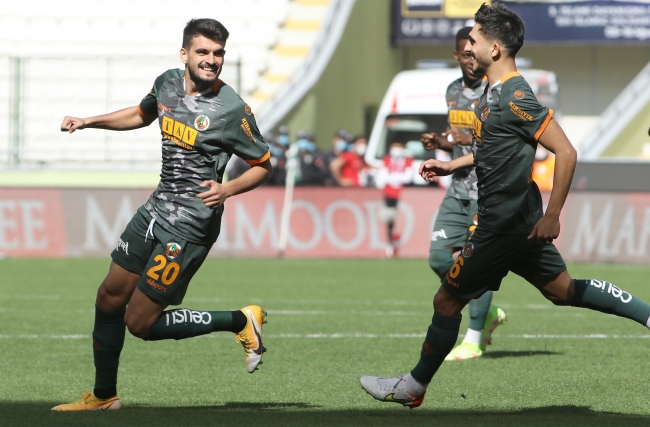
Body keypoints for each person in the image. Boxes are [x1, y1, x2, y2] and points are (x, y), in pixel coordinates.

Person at [360, 3, 650, 409]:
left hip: (501, 225)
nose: (468, 46)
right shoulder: (492, 93)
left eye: (474, 39)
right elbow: (492, 149)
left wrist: (553, 215)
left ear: (494, 48)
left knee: (446, 301)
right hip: (519, 221)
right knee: (563, 290)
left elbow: (566, 151)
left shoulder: (515, 95)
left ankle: (412, 387)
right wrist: (451, 164)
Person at [53, 18, 272, 411]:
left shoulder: (232, 108)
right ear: (184, 54)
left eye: (218, 53)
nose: (211, 60)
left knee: (140, 323)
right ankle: (104, 396)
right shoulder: (167, 83)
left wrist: (226, 189)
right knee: (108, 297)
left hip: (188, 227)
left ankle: (240, 321)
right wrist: (89, 121)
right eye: (203, 51)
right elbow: (141, 114)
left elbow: (263, 164)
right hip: (154, 210)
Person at [420, 26, 506, 361]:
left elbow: (497, 140)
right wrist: (440, 142)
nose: (470, 59)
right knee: (438, 257)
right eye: (465, 54)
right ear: (456, 55)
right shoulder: (453, 91)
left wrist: (464, 140)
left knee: (476, 264)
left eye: (474, 53)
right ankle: (486, 309)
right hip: (457, 189)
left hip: (486, 190)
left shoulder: (494, 89)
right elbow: (456, 140)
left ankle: (473, 339)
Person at [376, 140, 414, 258]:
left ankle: (400, 246)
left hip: (403, 195)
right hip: (389, 195)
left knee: (401, 220)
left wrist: (392, 176)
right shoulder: (386, 159)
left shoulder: (408, 160)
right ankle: (389, 245)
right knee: (389, 220)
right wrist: (397, 177)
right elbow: (382, 177)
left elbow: (408, 178)